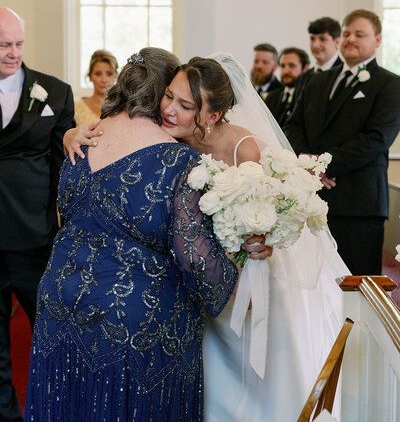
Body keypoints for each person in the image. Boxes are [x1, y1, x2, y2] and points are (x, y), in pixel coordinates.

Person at [65, 53, 348, 421]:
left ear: (213, 116)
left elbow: (279, 212)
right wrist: (72, 133)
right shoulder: (170, 140)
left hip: (247, 278)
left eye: (185, 106)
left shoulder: (244, 148)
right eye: (168, 96)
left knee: (257, 381)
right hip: (198, 277)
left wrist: (260, 239)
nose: (168, 110)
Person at [24, 48, 239, 422]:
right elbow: (194, 257)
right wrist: (237, 272)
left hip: (59, 296)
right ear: (161, 94)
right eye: (171, 94)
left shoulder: (83, 137)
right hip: (133, 320)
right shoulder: (178, 159)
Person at [0, 7, 75, 422]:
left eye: (18, 44)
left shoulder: (55, 92)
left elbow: (62, 171)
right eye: (3, 46)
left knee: (50, 337)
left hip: (35, 238)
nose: (13, 54)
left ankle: (54, 412)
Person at [286, 9, 400, 275]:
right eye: (347, 33)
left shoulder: (390, 84)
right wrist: (309, 163)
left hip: (358, 204)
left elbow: (377, 139)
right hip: (311, 198)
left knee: (356, 287)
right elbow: (293, 125)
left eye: (360, 34)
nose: (351, 39)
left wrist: (325, 165)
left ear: (378, 40)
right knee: (312, 281)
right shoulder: (316, 81)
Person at [295, 17, 342, 98]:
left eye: (322, 39)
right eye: (312, 39)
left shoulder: (342, 74)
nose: (315, 45)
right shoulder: (304, 77)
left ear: (336, 42)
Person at [265, 47, 310, 127]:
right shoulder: (272, 97)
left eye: (292, 66)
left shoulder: (308, 99)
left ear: (305, 68)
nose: (285, 71)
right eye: (282, 66)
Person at [74, 49, 118, 125]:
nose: (104, 80)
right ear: (90, 76)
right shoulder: (76, 108)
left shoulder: (122, 109)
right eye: (98, 74)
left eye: (109, 74)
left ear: (116, 76)